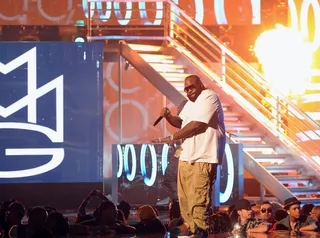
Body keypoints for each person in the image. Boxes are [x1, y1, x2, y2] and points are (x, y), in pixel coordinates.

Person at [155, 75, 226, 237]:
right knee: (185, 200)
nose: (188, 91)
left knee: (198, 200)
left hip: (203, 157)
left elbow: (197, 125)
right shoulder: (189, 104)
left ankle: (200, 230)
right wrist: (168, 116)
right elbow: (182, 123)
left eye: (191, 87)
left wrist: (172, 137)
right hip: (186, 157)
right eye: (186, 89)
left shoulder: (209, 96)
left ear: (200, 84)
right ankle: (192, 228)